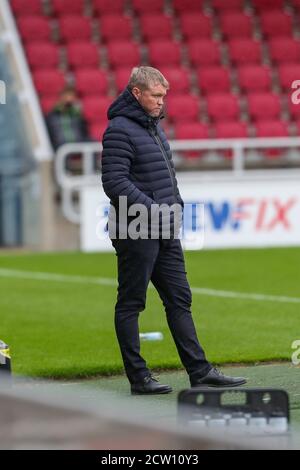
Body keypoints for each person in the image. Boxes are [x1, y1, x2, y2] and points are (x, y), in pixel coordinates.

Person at [101, 66, 247, 395]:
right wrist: (154, 209)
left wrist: (175, 208)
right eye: (155, 95)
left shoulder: (154, 127)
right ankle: (139, 378)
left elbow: (168, 178)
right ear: (136, 93)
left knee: (180, 300)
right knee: (131, 303)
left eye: (163, 96)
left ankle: (200, 371)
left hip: (165, 228)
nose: (160, 102)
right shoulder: (119, 130)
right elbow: (114, 182)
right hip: (135, 228)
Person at [46, 85, 91, 151]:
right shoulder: (52, 116)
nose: (69, 99)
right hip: (61, 148)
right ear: (61, 97)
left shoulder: (78, 115)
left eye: (72, 96)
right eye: (67, 96)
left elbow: (84, 132)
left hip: (79, 146)